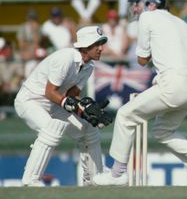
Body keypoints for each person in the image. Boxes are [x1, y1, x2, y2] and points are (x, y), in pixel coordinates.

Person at [93, 0, 187, 186]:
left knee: (124, 116)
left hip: (173, 85)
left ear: (150, 4)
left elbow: (141, 60)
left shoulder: (148, 17)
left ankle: (117, 174)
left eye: (138, 4)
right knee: (163, 132)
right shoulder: (183, 24)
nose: (135, 9)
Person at [14, 26, 113, 186]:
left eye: (102, 43)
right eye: (97, 44)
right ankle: (30, 181)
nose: (101, 48)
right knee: (52, 129)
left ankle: (94, 179)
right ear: (86, 46)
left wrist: (86, 111)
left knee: (89, 129)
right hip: (30, 100)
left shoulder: (89, 66)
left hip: (53, 104)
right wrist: (72, 105)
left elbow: (71, 95)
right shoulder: (65, 58)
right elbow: (50, 92)